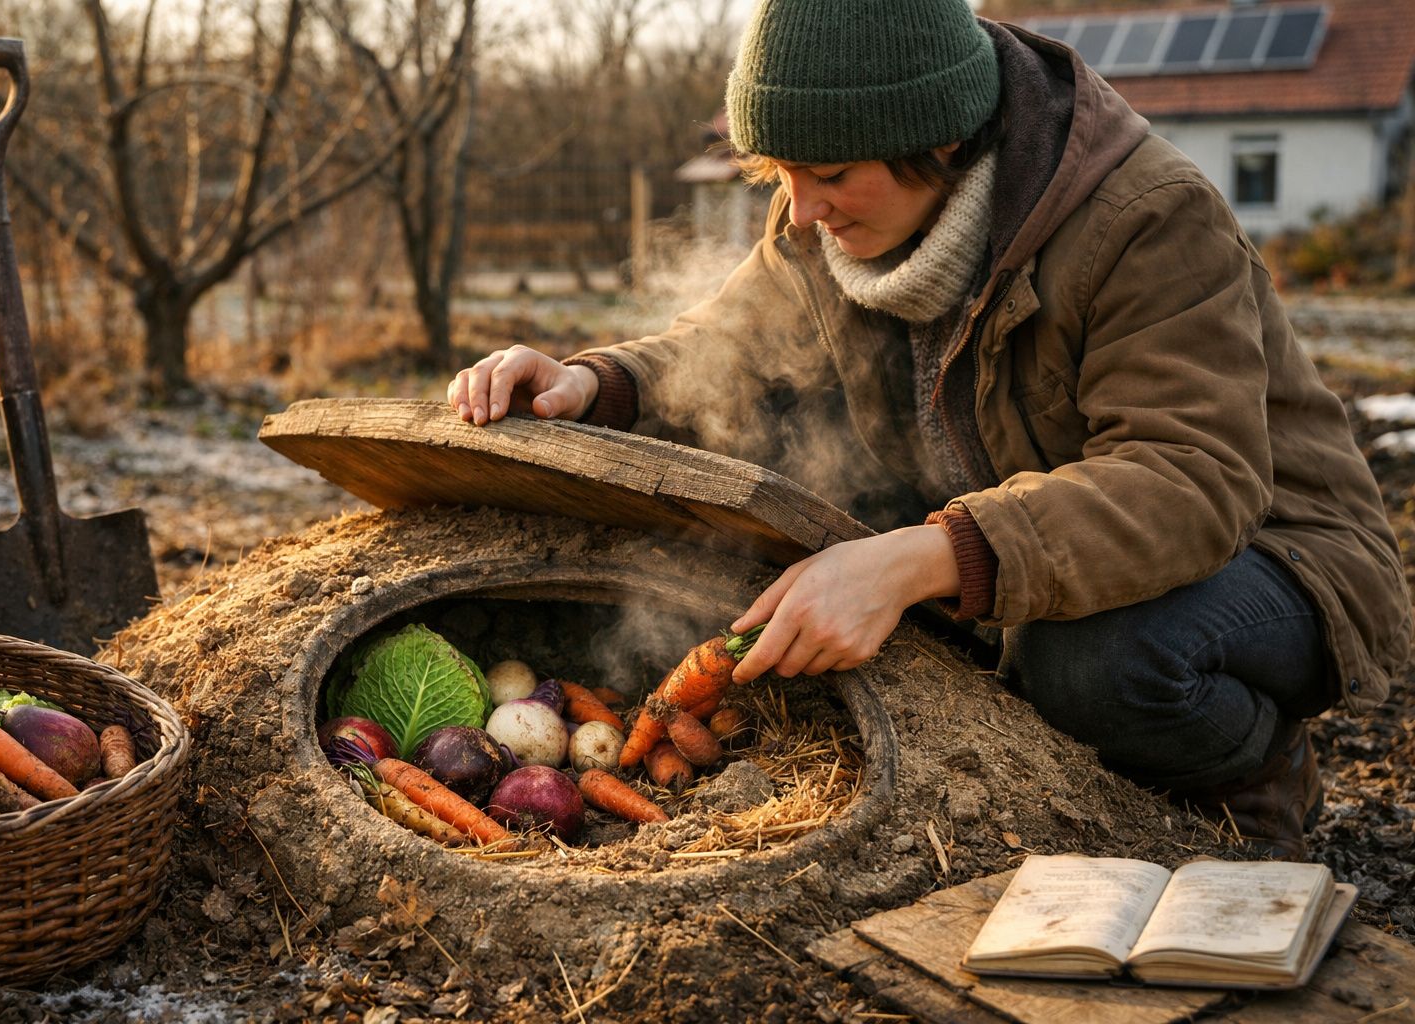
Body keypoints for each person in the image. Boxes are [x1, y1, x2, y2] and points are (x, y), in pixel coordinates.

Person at [447, 0, 1411, 859]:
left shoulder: (1148, 220)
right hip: (1028, 527)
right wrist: (590, 381)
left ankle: (1253, 772)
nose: (803, 207)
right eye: (780, 173)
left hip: (1269, 555)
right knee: (768, 490)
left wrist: (916, 560)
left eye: (829, 174)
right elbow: (724, 350)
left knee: (1089, 663)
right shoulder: (822, 219)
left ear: (941, 141)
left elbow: (1190, 481)